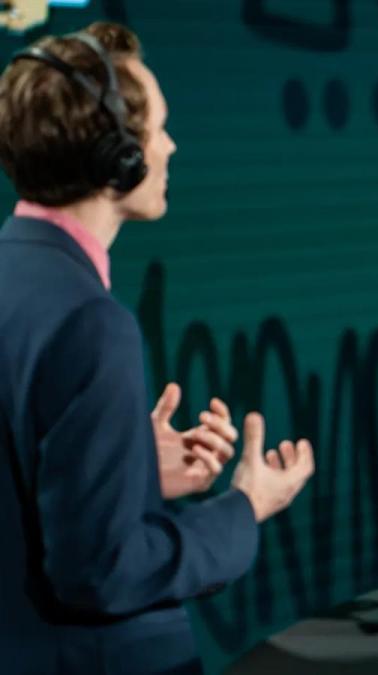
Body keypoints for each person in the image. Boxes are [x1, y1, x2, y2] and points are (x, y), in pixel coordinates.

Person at [0, 22, 314, 674]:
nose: (170, 146)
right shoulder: (91, 322)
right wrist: (244, 505)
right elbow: (101, 572)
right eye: (158, 128)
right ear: (118, 156)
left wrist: (130, 470)